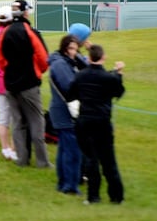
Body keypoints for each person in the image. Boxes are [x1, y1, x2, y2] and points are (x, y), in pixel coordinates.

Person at [69, 44, 125, 205]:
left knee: (91, 159)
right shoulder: (109, 78)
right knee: (108, 160)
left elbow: (70, 94)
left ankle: (93, 196)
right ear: (103, 57)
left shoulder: (81, 76)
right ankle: (116, 196)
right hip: (102, 121)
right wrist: (119, 73)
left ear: (88, 58)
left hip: (85, 120)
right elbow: (118, 92)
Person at [0, 0, 50, 168]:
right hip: (29, 83)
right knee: (36, 121)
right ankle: (42, 161)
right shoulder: (30, 31)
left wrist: (11, 71)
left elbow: (0, 58)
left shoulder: (5, 32)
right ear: (26, 12)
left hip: (11, 83)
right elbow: (43, 57)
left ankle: (22, 158)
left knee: (18, 122)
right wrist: (37, 72)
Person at [49, 34, 89, 195]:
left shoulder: (64, 62)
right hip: (65, 112)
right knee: (72, 151)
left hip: (62, 111)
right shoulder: (60, 64)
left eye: (75, 49)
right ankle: (70, 186)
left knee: (65, 149)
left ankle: (63, 183)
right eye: (71, 48)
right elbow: (69, 88)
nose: (74, 52)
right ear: (64, 48)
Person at [0, 6, 17, 161]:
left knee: (3, 117)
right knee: (15, 117)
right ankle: (13, 148)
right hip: (11, 80)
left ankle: (5, 148)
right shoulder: (10, 35)